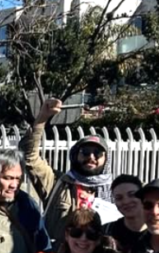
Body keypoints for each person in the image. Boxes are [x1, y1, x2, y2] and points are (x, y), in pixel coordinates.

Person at [20, 97, 113, 241]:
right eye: (85, 152)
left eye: (98, 153)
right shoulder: (58, 184)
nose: (91, 157)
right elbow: (29, 157)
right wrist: (42, 118)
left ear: (106, 159)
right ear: (75, 155)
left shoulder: (115, 191)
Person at [104, 174, 147, 252]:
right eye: (119, 198)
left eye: (132, 195)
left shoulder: (157, 233)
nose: (126, 201)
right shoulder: (106, 231)